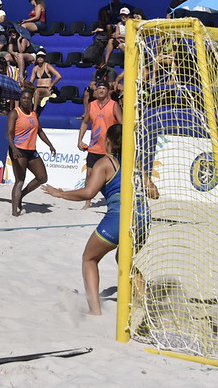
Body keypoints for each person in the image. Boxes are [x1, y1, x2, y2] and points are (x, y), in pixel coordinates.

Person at [43, 124, 159, 315]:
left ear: (109, 142)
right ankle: (146, 303)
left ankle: (95, 311)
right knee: (124, 258)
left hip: (119, 217)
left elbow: (89, 192)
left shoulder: (106, 163)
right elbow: (154, 194)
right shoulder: (135, 163)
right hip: (143, 218)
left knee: (89, 258)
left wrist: (60, 194)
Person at [7, 87, 56, 217]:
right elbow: (9, 134)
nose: (26, 100)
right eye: (24, 98)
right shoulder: (15, 113)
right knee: (20, 180)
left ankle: (22, 195)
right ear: (20, 99)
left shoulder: (34, 114)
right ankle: (14, 212)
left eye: (29, 99)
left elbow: (40, 131)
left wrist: (50, 145)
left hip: (31, 150)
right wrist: (14, 148)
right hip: (18, 149)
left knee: (42, 177)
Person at [77, 81, 122, 209]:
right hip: (94, 146)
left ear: (108, 91)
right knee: (89, 175)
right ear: (96, 91)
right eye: (99, 88)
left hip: (109, 148)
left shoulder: (114, 105)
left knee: (111, 177)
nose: (101, 90)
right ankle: (87, 202)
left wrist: (117, 142)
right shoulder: (91, 105)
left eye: (103, 88)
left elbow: (122, 124)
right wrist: (80, 139)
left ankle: (112, 200)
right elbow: (85, 122)